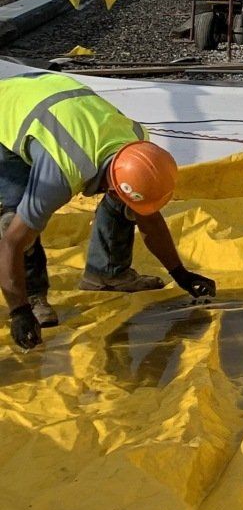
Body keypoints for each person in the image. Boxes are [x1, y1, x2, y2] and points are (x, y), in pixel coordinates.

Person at [0, 72, 214, 350]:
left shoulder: (136, 145)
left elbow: (148, 218)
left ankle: (107, 274)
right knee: (14, 221)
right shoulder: (61, 172)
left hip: (50, 98)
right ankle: (31, 297)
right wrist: (19, 312)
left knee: (128, 201)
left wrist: (181, 274)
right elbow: (12, 242)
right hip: (8, 112)